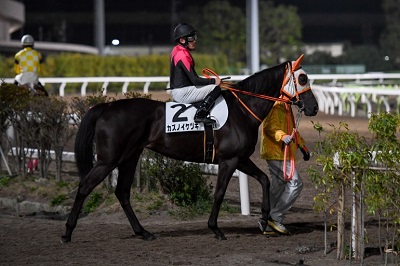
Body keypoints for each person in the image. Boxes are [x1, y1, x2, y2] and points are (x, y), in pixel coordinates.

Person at [258, 101, 310, 235]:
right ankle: (275, 217)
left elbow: (291, 129)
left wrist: (302, 146)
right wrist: (282, 136)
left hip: (279, 153)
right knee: (296, 182)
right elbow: (269, 126)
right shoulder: (277, 104)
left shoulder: (285, 105)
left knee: (278, 185)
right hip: (277, 153)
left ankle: (266, 220)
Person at [169, 23, 221, 125]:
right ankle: (200, 115)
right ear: (182, 40)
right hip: (183, 93)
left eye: (194, 37)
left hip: (179, 90)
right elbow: (195, 80)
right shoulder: (183, 55)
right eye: (191, 38)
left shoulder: (176, 50)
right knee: (215, 88)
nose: (194, 40)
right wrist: (214, 81)